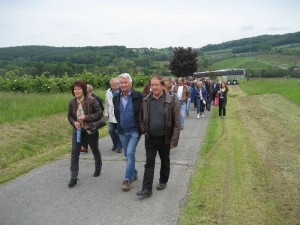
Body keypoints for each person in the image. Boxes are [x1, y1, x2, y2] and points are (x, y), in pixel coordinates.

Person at [137, 76, 181, 197]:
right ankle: (146, 189)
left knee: (165, 161)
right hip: (150, 138)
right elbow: (140, 118)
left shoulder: (171, 101)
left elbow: (177, 123)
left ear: (162, 86)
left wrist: (174, 140)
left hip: (165, 138)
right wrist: (144, 130)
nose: (154, 87)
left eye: (156, 85)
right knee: (149, 162)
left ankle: (163, 181)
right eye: (152, 85)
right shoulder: (146, 100)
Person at [67, 80, 103, 188]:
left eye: (78, 89)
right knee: (74, 153)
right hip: (77, 131)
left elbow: (99, 113)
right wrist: (74, 123)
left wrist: (86, 117)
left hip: (90, 129)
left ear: (83, 90)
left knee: (95, 149)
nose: (76, 91)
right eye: (75, 89)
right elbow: (69, 116)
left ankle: (98, 167)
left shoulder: (91, 100)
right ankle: (73, 177)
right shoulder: (72, 102)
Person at [113, 73, 143, 191]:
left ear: (131, 83)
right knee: (127, 154)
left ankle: (128, 179)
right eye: (121, 83)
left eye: (126, 82)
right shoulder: (116, 97)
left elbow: (143, 112)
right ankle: (134, 172)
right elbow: (116, 113)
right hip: (122, 131)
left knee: (130, 153)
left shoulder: (139, 96)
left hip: (135, 131)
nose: (123, 85)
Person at [81, 84, 104, 153]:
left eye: (87, 92)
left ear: (91, 91)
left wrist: (94, 115)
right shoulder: (82, 99)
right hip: (85, 119)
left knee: (93, 132)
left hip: (94, 119)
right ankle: (85, 147)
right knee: (84, 131)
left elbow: (101, 109)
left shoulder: (97, 98)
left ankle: (95, 147)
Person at [104, 78, 123, 153]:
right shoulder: (108, 92)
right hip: (111, 115)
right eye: (112, 85)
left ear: (119, 84)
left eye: (115, 85)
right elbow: (106, 103)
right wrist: (105, 113)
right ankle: (114, 143)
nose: (114, 86)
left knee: (118, 131)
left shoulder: (122, 92)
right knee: (111, 131)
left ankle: (119, 146)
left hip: (120, 115)